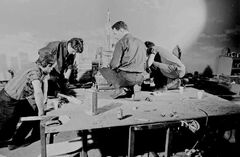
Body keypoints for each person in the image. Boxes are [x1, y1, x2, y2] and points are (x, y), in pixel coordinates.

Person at [0, 52, 56, 150]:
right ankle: (8, 142)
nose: (51, 70)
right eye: (51, 67)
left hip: (15, 99)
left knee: (32, 112)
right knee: (5, 131)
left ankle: (16, 142)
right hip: (7, 99)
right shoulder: (36, 72)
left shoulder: (32, 65)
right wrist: (41, 113)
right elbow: (38, 92)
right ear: (47, 65)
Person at [99, 21, 147, 99]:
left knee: (103, 69)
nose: (115, 36)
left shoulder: (121, 42)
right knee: (127, 71)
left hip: (126, 78)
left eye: (115, 33)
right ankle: (132, 89)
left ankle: (120, 89)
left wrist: (110, 66)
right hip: (140, 77)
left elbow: (114, 64)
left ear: (121, 30)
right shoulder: (141, 42)